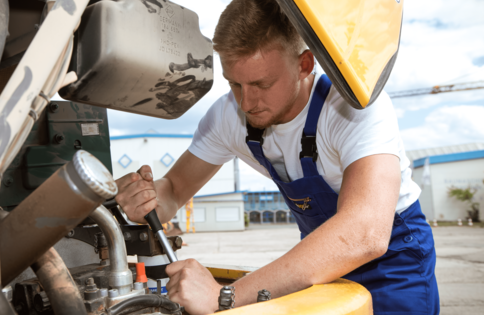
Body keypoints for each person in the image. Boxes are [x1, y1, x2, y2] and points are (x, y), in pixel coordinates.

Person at [114, 0, 439, 314]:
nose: (246, 102)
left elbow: (365, 233)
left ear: (304, 65)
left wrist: (225, 295)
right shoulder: (228, 116)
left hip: (395, 263)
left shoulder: (352, 107)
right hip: (321, 265)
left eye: (262, 83)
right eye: (235, 84)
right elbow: (172, 190)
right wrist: (145, 198)